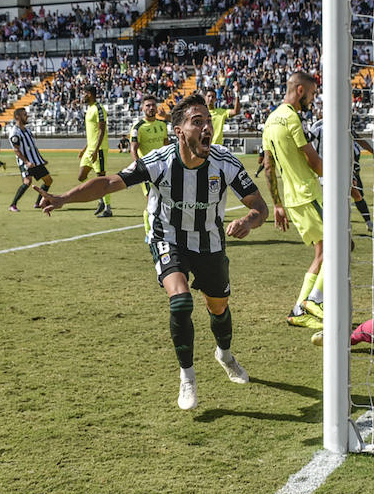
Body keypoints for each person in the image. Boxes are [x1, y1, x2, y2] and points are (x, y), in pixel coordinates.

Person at [38, 93, 268, 410]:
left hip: (209, 242)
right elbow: (107, 183)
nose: (206, 128)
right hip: (167, 236)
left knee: (218, 308)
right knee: (181, 300)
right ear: (178, 130)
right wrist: (63, 198)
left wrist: (249, 220)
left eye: (208, 121)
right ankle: (187, 378)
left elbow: (260, 207)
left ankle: (225, 354)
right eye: (196, 121)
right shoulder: (159, 161)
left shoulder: (225, 162)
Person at [262, 71, 326, 328]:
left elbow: (268, 167)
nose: (313, 98)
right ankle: (314, 301)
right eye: (311, 93)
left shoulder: (270, 120)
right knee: (341, 246)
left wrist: (277, 204)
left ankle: (299, 311)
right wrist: (341, 176)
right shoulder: (291, 118)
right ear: (300, 91)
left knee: (322, 253)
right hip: (308, 193)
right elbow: (313, 160)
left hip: (291, 199)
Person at [306, 112, 374, 236]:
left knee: (357, 194)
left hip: (345, 166)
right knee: (329, 198)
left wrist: (373, 152)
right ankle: (330, 227)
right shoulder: (318, 126)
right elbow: (306, 142)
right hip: (326, 169)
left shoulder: (344, 124)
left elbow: (357, 138)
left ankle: (368, 223)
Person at [130, 93, 170, 234]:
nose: (151, 108)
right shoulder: (138, 126)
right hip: (147, 169)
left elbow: (167, 146)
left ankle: (162, 229)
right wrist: (138, 165)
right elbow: (133, 148)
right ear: (142, 108)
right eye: (148, 105)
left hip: (163, 169)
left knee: (164, 200)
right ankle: (149, 232)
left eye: (153, 105)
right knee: (151, 202)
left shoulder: (162, 125)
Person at [7, 107, 52, 212]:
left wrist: (41, 159)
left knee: (48, 180)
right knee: (27, 181)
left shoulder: (27, 130)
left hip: (36, 160)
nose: (27, 116)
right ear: (17, 117)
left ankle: (38, 203)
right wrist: (26, 162)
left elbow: (33, 146)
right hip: (25, 162)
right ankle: (13, 205)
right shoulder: (15, 132)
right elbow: (16, 150)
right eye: (24, 115)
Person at [78, 85, 112, 217]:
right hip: (90, 149)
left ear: (90, 94)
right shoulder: (90, 109)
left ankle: (107, 207)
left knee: (101, 178)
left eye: (84, 93)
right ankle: (100, 198)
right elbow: (93, 132)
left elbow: (101, 130)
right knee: (81, 177)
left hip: (99, 149)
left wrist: (96, 150)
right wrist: (85, 149)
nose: (83, 96)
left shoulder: (99, 109)